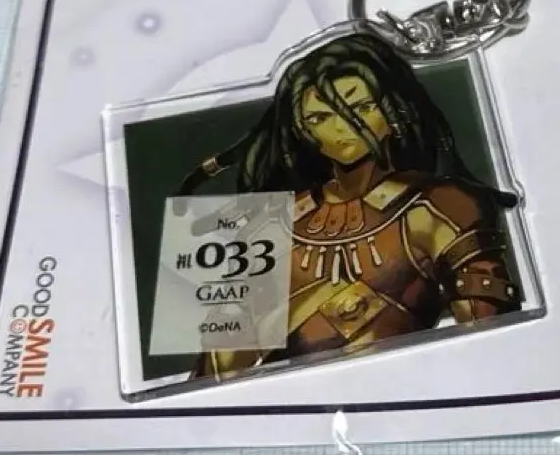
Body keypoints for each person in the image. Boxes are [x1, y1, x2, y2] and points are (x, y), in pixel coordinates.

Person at [176, 29, 522, 381]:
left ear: (394, 111)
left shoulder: (441, 207)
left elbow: (493, 345)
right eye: (319, 118)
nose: (342, 129)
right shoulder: (274, 223)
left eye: (361, 108)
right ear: (302, 130)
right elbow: (215, 372)